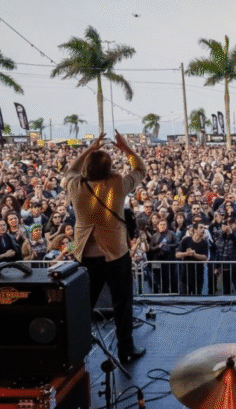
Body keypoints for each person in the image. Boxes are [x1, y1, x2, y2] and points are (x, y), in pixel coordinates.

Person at [63, 132, 147, 365]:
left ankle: (76, 352)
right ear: (109, 168)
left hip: (85, 256)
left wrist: (89, 149)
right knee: (122, 303)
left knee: (82, 306)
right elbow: (140, 170)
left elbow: (70, 170)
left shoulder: (75, 186)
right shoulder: (117, 183)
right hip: (116, 254)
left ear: (87, 167)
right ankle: (126, 349)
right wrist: (128, 149)